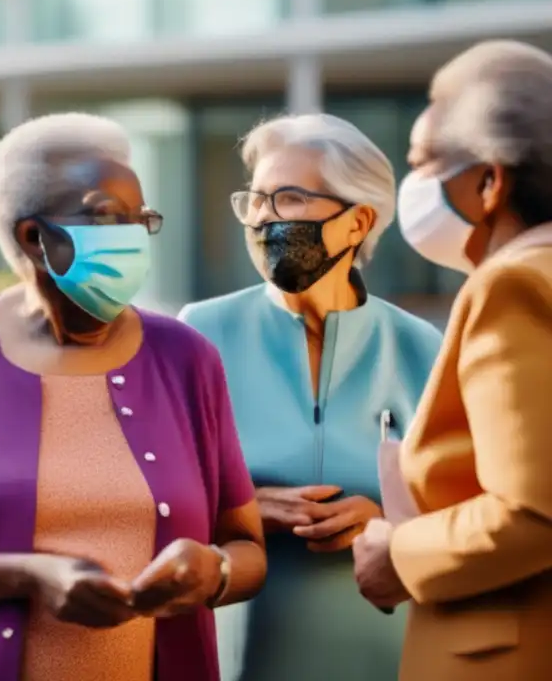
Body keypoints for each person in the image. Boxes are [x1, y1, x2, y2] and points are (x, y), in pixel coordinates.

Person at [0, 113, 267, 681]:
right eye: (106, 216)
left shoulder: (186, 358)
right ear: (34, 235)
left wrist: (214, 570)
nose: (130, 234)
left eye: (139, 218)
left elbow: (246, 548)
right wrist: (30, 576)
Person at [179, 113, 442, 681]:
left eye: (290, 199)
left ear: (358, 222)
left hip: (390, 649)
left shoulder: (423, 346)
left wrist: (384, 520)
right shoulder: (198, 333)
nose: (264, 218)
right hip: (239, 649)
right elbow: (151, 498)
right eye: (256, 199)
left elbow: (464, 512)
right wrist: (245, 509)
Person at [354, 40, 552, 680]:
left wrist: (398, 554)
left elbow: (533, 514)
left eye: (422, 163)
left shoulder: (514, 286)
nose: (410, 185)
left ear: (490, 181)